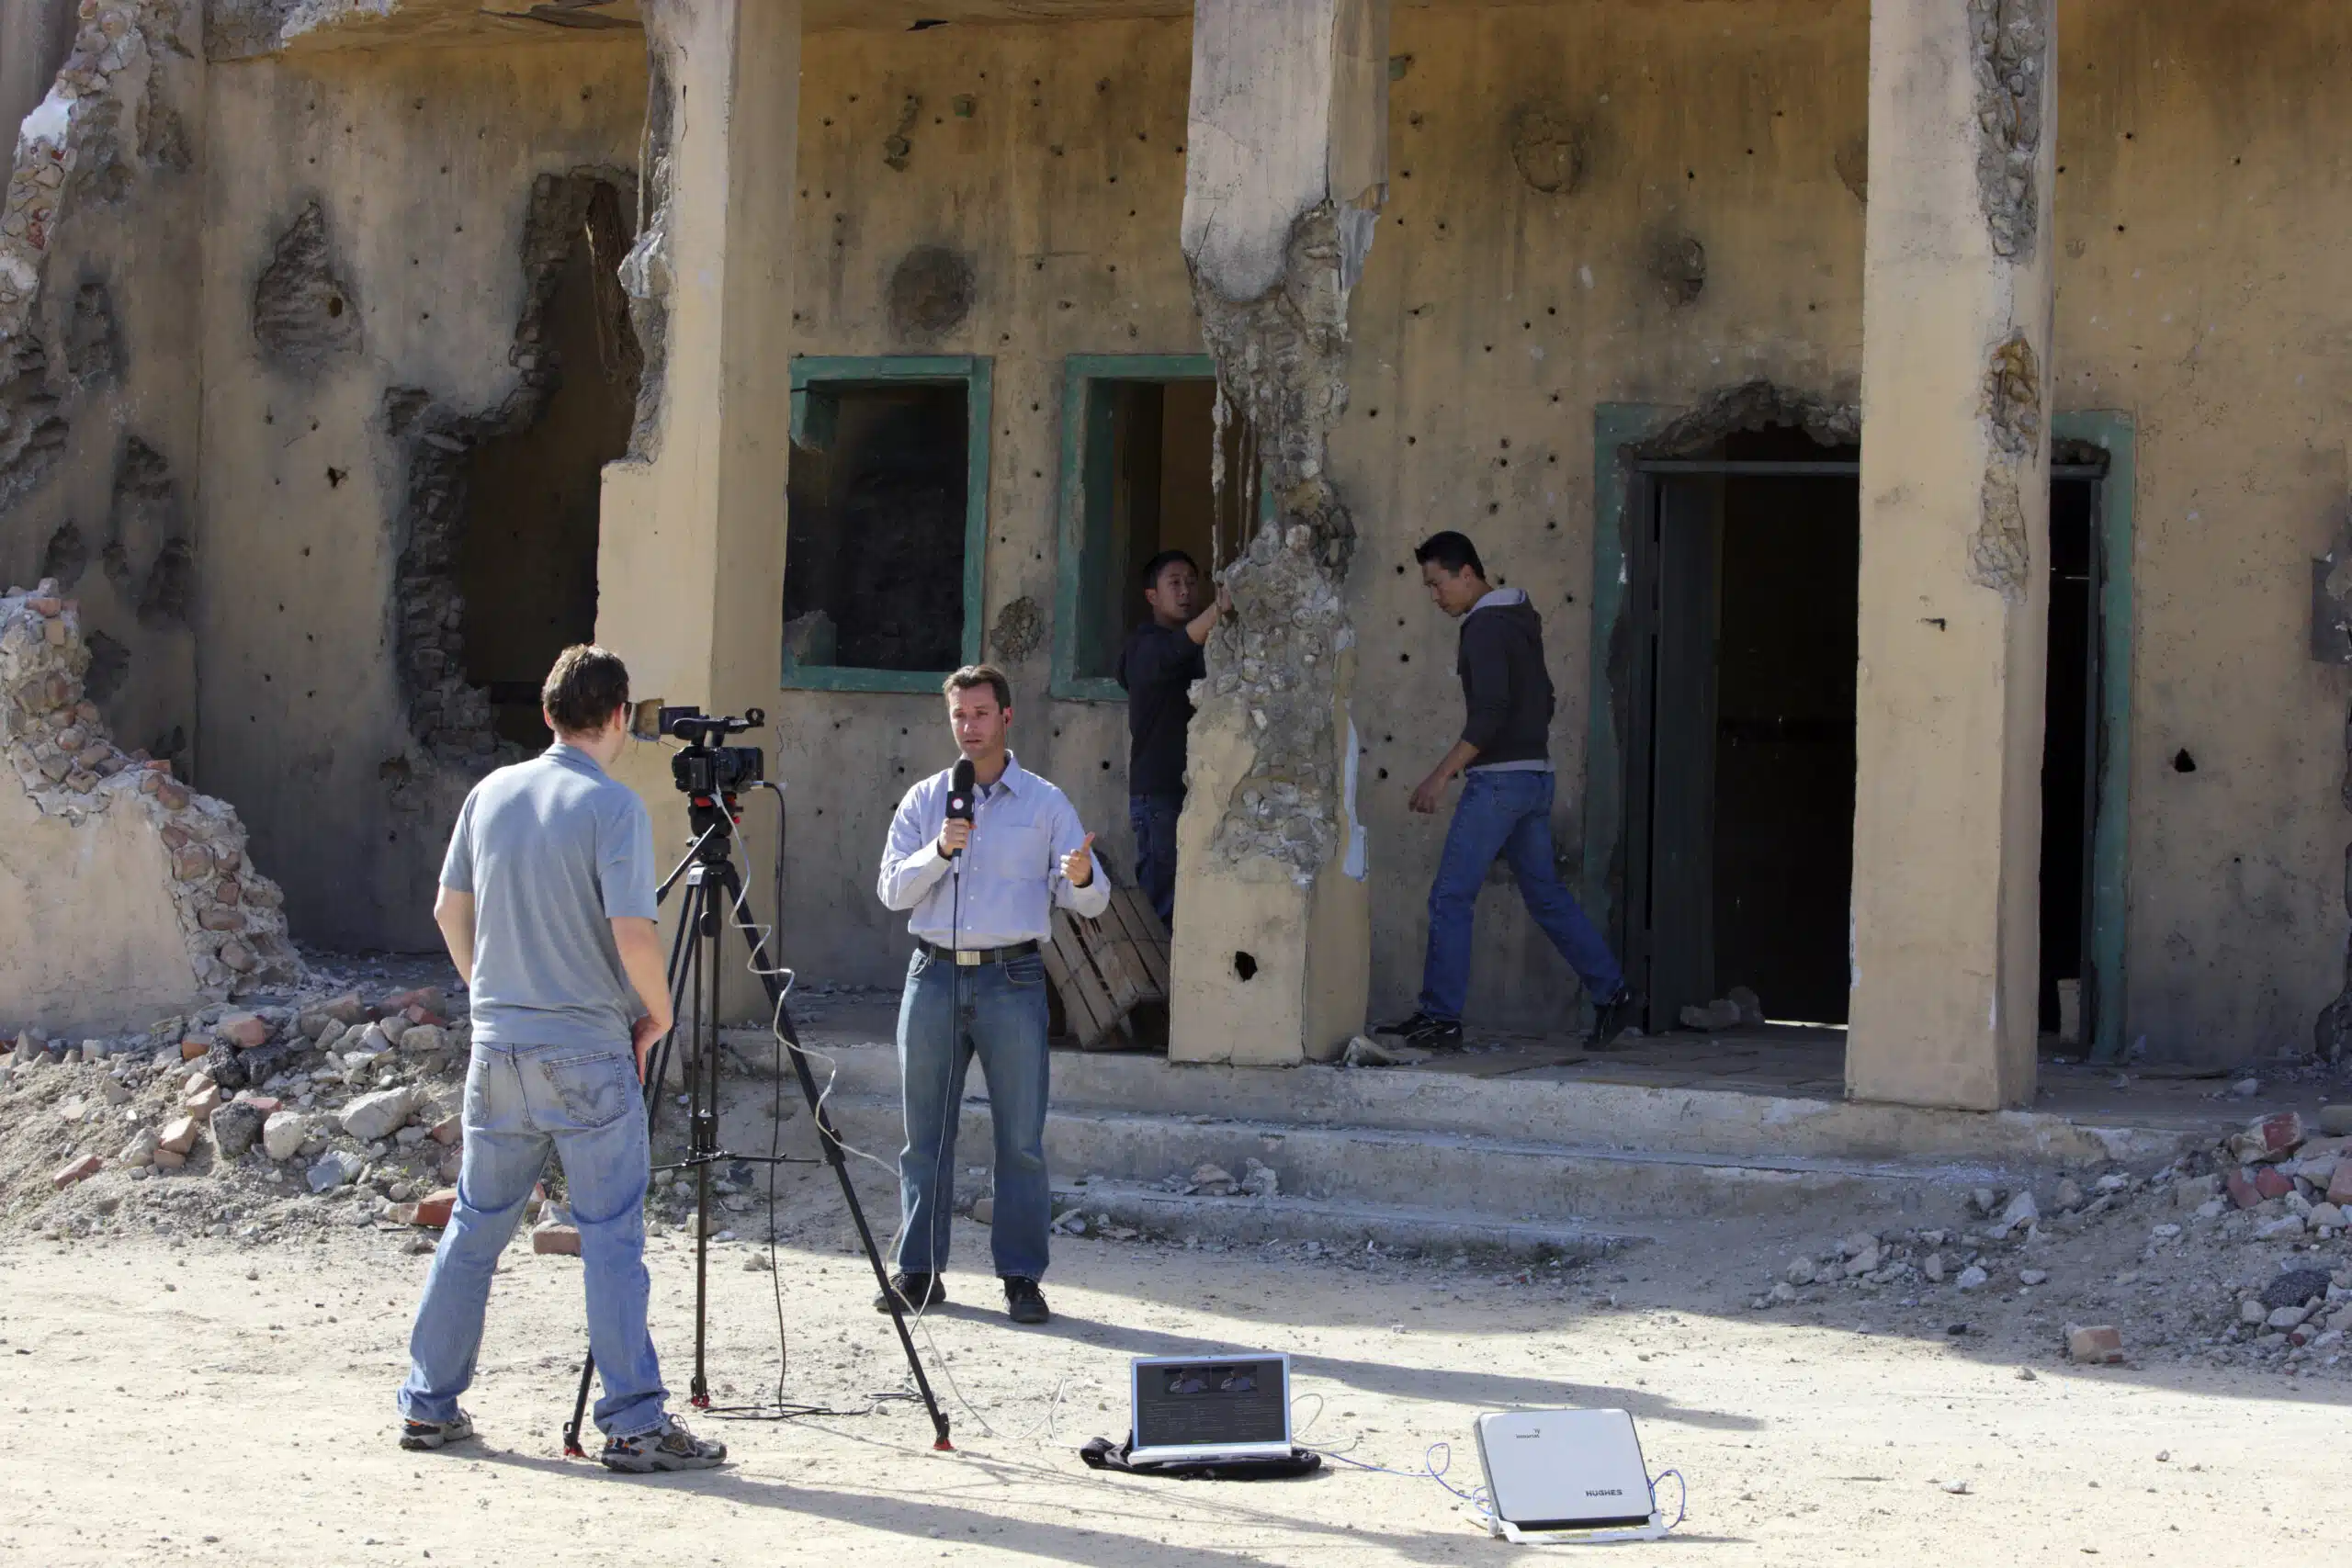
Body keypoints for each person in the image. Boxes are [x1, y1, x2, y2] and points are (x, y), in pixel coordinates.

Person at [395, 644, 725, 1474]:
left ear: (546, 714)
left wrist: (489, 992)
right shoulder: (614, 808)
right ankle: (634, 1423)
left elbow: (448, 909)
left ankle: (429, 1402)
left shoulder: (490, 793)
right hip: (586, 1050)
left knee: (476, 1223)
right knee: (610, 1236)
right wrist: (660, 1012)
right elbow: (633, 932)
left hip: (498, 1045)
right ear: (618, 716)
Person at [875, 664, 1107, 1325]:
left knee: (1021, 1138)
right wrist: (938, 852)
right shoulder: (925, 800)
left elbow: (1091, 899)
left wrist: (1082, 876)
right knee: (925, 1134)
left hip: (1012, 978)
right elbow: (891, 890)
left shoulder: (1045, 803)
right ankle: (919, 1271)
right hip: (934, 975)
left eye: (981, 713)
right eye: (959, 715)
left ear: (1007, 717)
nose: (969, 726)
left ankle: (1022, 1278)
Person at [1376, 532, 1641, 1052]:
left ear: (1467, 573)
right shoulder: (1520, 617)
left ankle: (1440, 1019)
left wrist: (1439, 776)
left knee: (1451, 896)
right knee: (1546, 897)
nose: (1434, 596)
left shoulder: (1484, 627)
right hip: (1534, 777)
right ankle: (1614, 992)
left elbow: (1491, 712)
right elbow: (1544, 697)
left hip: (1499, 783)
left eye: (1437, 584)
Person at [1116, 548, 1228, 926]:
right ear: (1152, 596)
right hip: (1159, 796)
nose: (1185, 591)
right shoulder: (1144, 645)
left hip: (1195, 792)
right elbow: (1172, 651)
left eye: (1192, 583)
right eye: (1175, 583)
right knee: (1162, 908)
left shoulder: (1200, 648)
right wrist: (1218, 609)